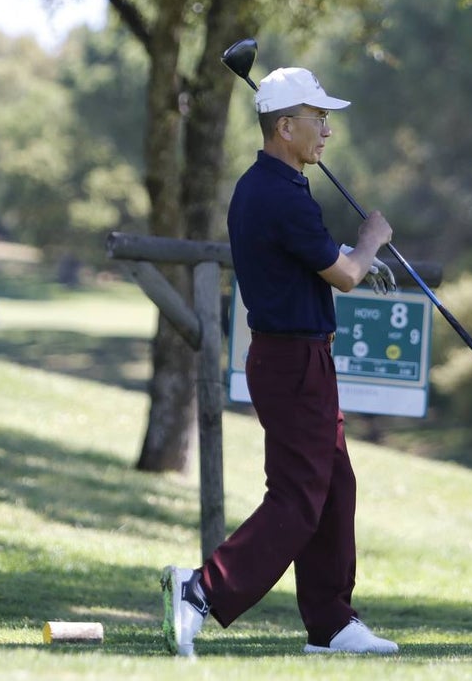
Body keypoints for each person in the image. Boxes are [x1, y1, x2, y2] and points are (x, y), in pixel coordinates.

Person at [161, 66, 398, 657]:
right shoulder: (281, 195)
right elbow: (345, 276)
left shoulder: (269, 186)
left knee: (334, 486)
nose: (328, 132)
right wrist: (371, 238)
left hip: (297, 357)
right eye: (319, 120)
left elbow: (308, 257)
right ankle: (201, 591)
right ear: (285, 127)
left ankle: (331, 623)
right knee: (298, 497)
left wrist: (348, 251)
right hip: (293, 362)